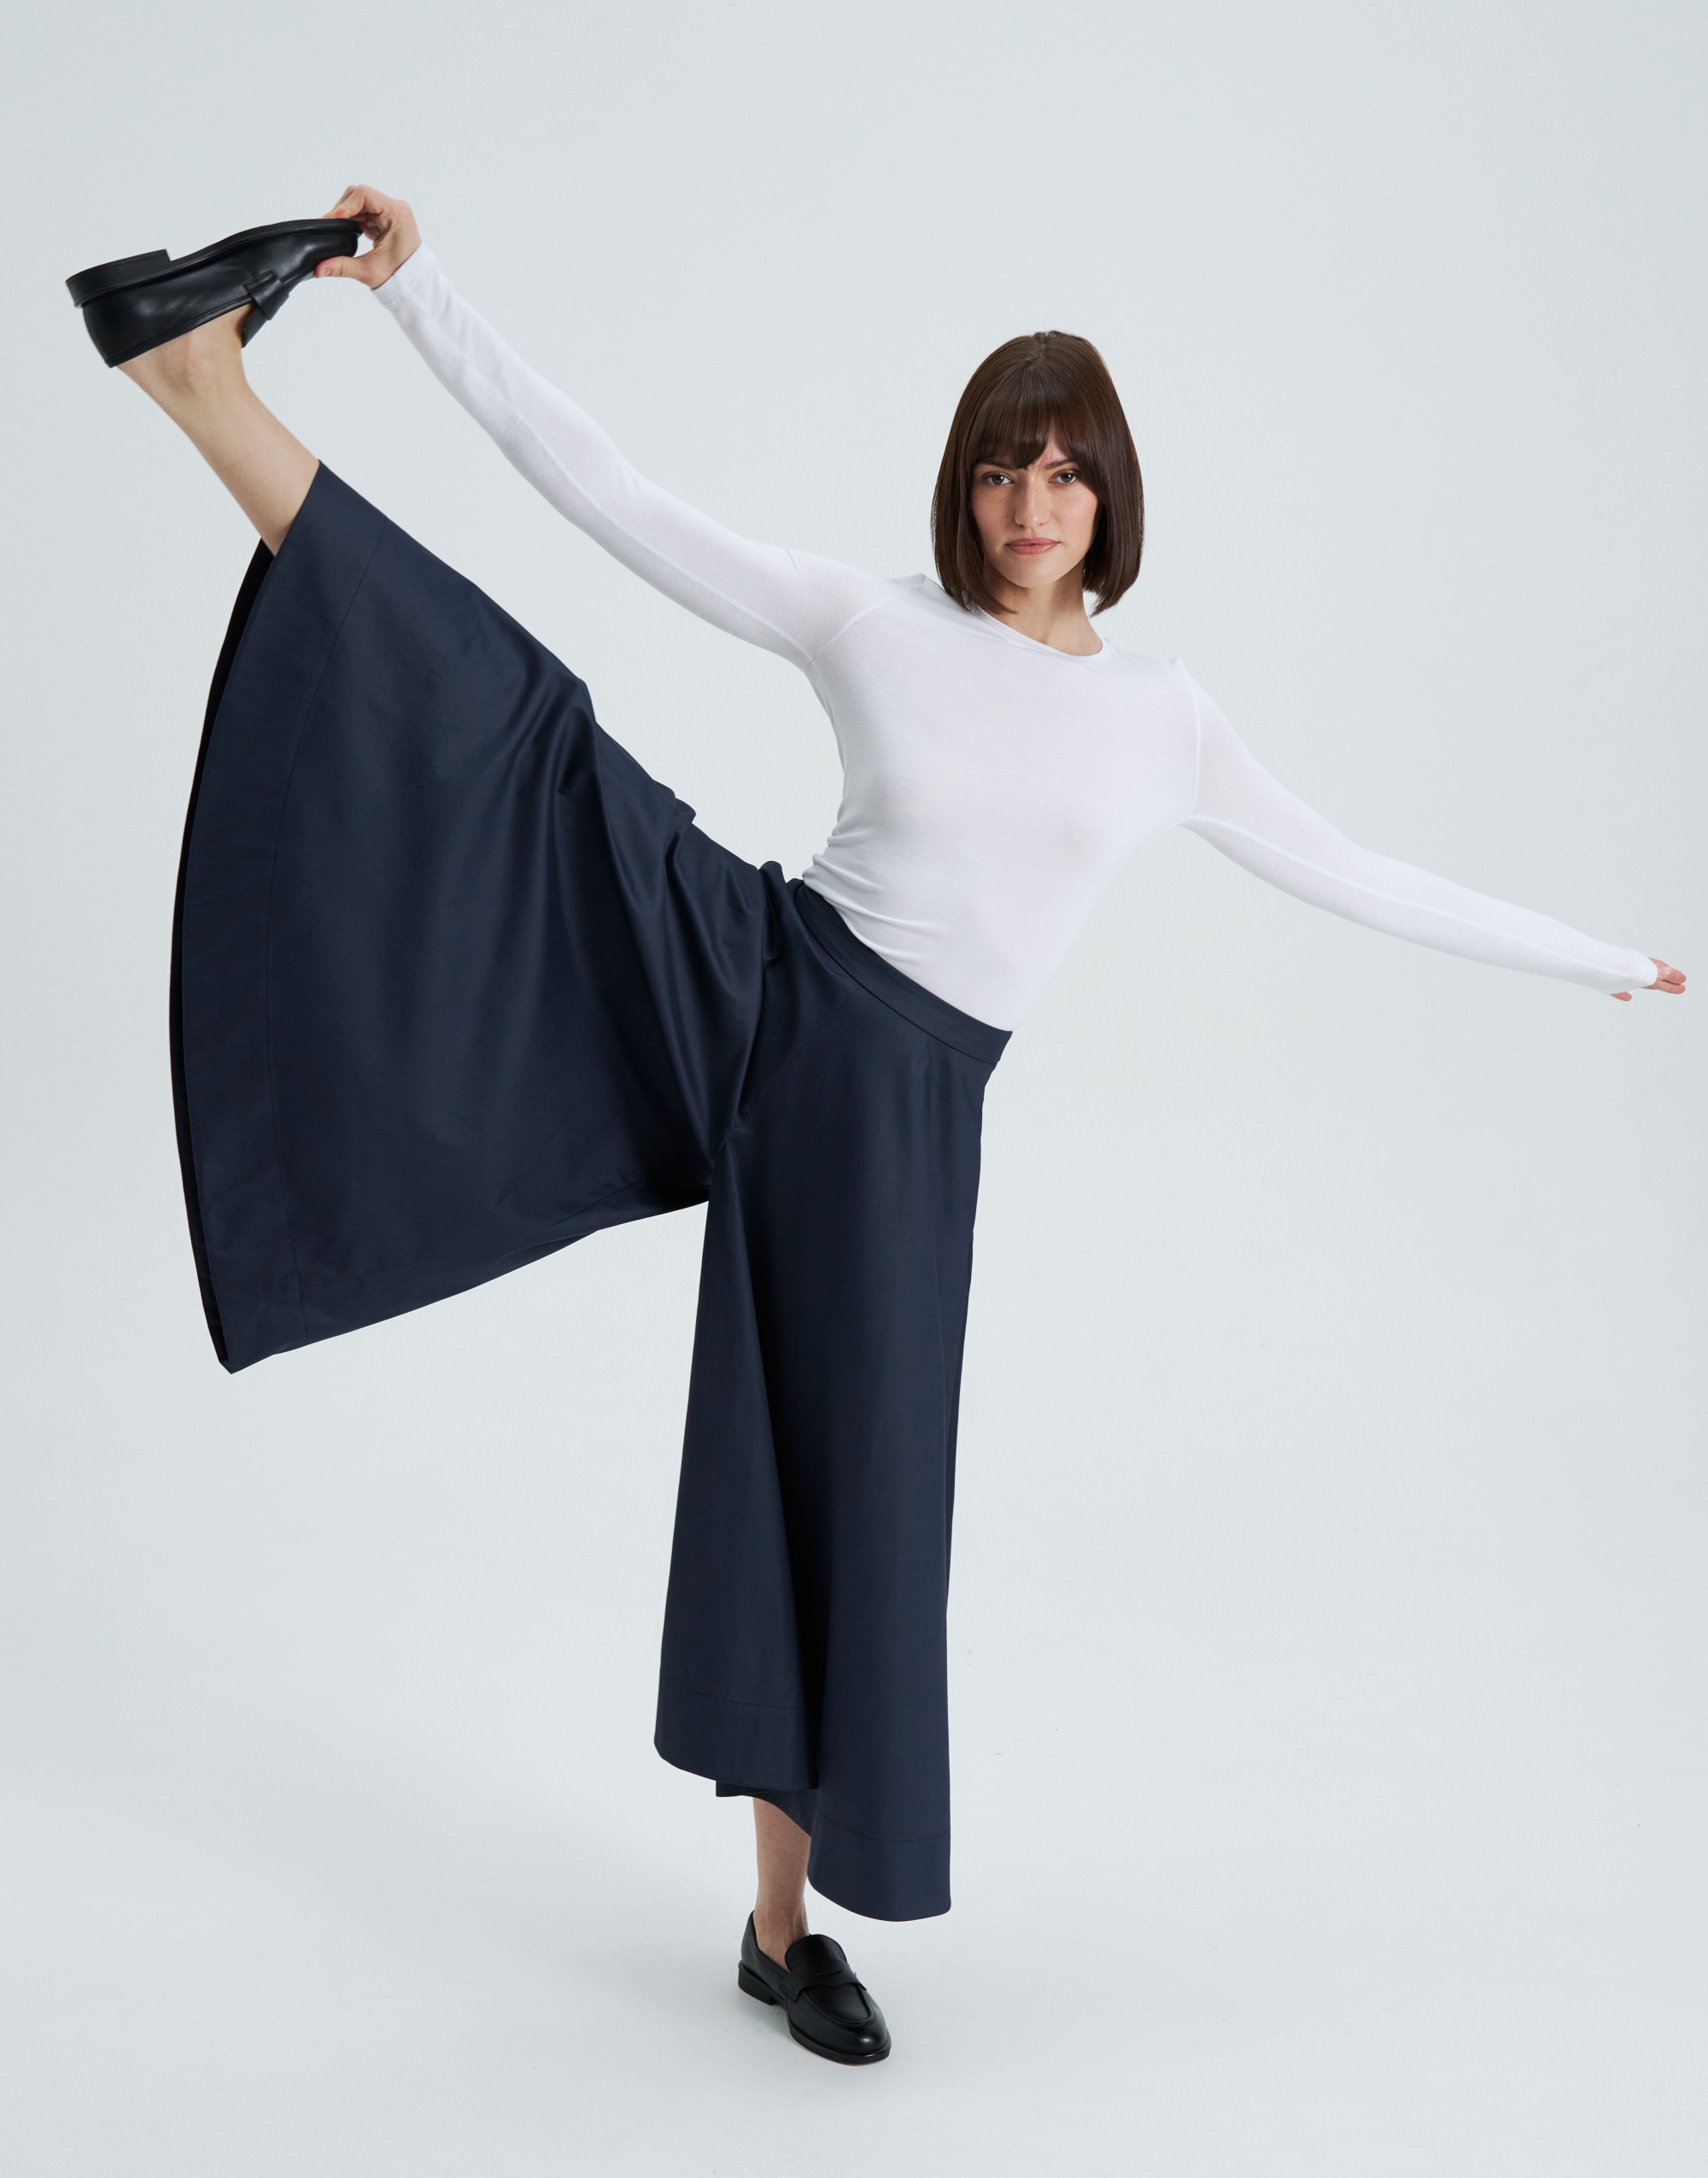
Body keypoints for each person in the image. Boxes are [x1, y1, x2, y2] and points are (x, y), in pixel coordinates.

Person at [75, 184, 1684, 2068]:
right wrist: (423, 295)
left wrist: (1599, 961)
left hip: (904, 1121)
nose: (1028, 504)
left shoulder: (1166, 719)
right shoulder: (872, 620)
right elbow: (608, 491)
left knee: (848, 1492)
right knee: (510, 728)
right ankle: (203, 385)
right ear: (963, 488)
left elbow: (1359, 874)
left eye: (1062, 473)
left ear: (1110, 498)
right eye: (1001, 469)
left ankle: (781, 1932)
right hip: (756, 984)